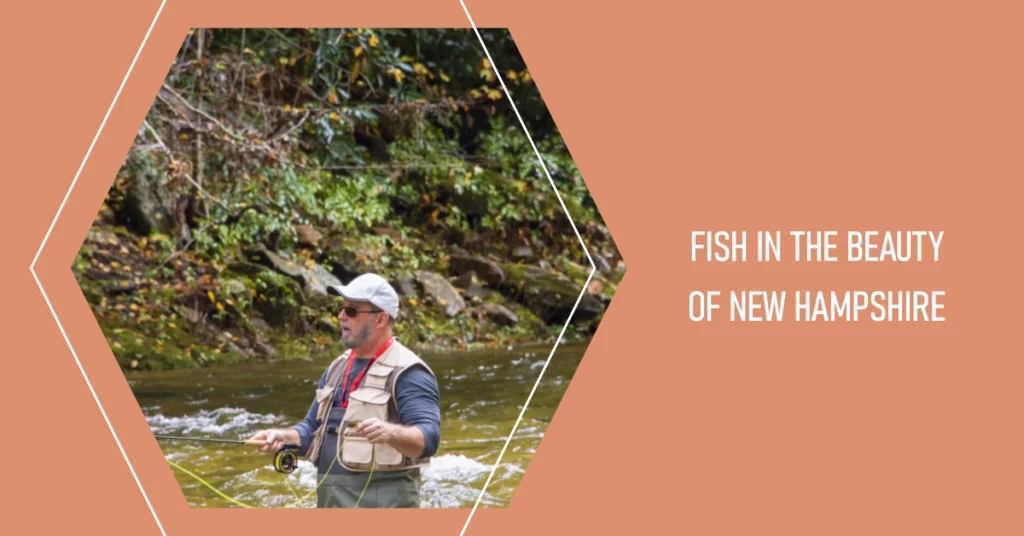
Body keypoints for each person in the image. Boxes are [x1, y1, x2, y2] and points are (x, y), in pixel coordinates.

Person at [248, 273, 441, 508]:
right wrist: (282, 437)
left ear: (380, 319)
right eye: (342, 309)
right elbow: (313, 431)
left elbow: (429, 438)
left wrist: (390, 432)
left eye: (351, 311)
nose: (340, 316)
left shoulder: (409, 373)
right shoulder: (337, 368)